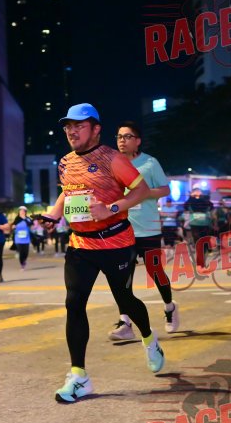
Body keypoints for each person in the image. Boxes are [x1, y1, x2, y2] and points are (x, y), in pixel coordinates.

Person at [40, 103, 165, 403]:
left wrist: (111, 208)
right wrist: (54, 214)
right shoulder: (65, 162)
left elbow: (141, 191)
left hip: (116, 242)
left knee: (125, 300)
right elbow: (69, 191)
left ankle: (149, 338)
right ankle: (79, 377)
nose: (71, 131)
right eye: (68, 126)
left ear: (96, 129)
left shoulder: (114, 159)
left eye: (79, 125)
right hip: (81, 244)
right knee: (74, 304)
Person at [109, 121, 179, 340]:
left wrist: (143, 193)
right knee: (123, 278)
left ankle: (169, 307)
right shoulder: (113, 164)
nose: (122, 140)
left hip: (148, 229)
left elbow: (165, 189)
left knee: (155, 272)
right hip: (122, 229)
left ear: (137, 141)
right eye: (119, 136)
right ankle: (125, 322)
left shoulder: (149, 163)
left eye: (127, 136)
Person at [183, 187, 215, 268]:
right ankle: (201, 260)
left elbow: (185, 206)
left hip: (199, 223)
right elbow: (211, 206)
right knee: (200, 241)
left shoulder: (197, 200)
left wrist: (192, 197)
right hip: (200, 223)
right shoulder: (197, 200)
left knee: (200, 241)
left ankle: (201, 260)